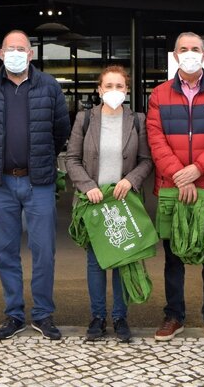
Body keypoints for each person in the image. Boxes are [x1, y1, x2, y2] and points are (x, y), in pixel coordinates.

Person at [0, 30, 70, 341]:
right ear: (0, 54)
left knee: (43, 251)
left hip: (38, 181)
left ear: (31, 54)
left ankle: (42, 313)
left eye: (21, 48)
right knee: (6, 252)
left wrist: (40, 159)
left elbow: (60, 130)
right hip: (0, 184)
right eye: (10, 48)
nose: (15, 53)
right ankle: (13, 315)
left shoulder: (49, 87)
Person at [147, 32, 204, 344]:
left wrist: (197, 170)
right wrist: (179, 175)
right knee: (173, 255)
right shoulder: (159, 95)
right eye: (183, 49)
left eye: (195, 49)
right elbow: (155, 140)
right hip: (173, 187)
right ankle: (174, 315)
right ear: (175, 56)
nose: (189, 53)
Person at [64, 65, 153, 343]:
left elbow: (146, 160)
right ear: (99, 90)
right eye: (109, 86)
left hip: (124, 200)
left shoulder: (138, 120)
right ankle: (98, 317)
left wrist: (131, 180)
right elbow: (72, 158)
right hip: (95, 201)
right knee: (96, 262)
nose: (114, 91)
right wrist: (88, 186)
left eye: (119, 86)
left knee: (123, 260)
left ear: (126, 90)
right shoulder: (85, 119)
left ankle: (120, 317)